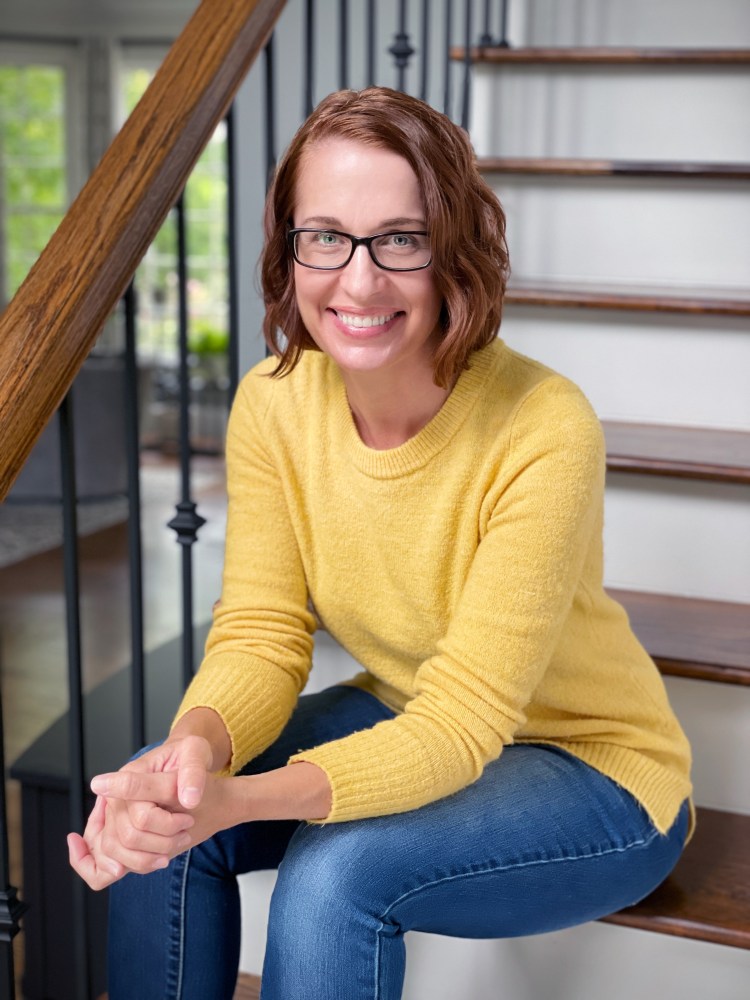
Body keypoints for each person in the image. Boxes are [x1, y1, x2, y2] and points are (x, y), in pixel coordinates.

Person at [68, 87, 693, 1000]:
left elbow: (462, 723)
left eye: (402, 239)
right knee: (155, 802)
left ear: (455, 251)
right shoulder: (274, 403)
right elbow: (261, 634)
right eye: (325, 236)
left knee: (334, 873)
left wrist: (236, 801)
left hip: (595, 769)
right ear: (289, 246)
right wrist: (196, 750)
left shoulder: (542, 425)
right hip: (404, 709)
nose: (358, 282)